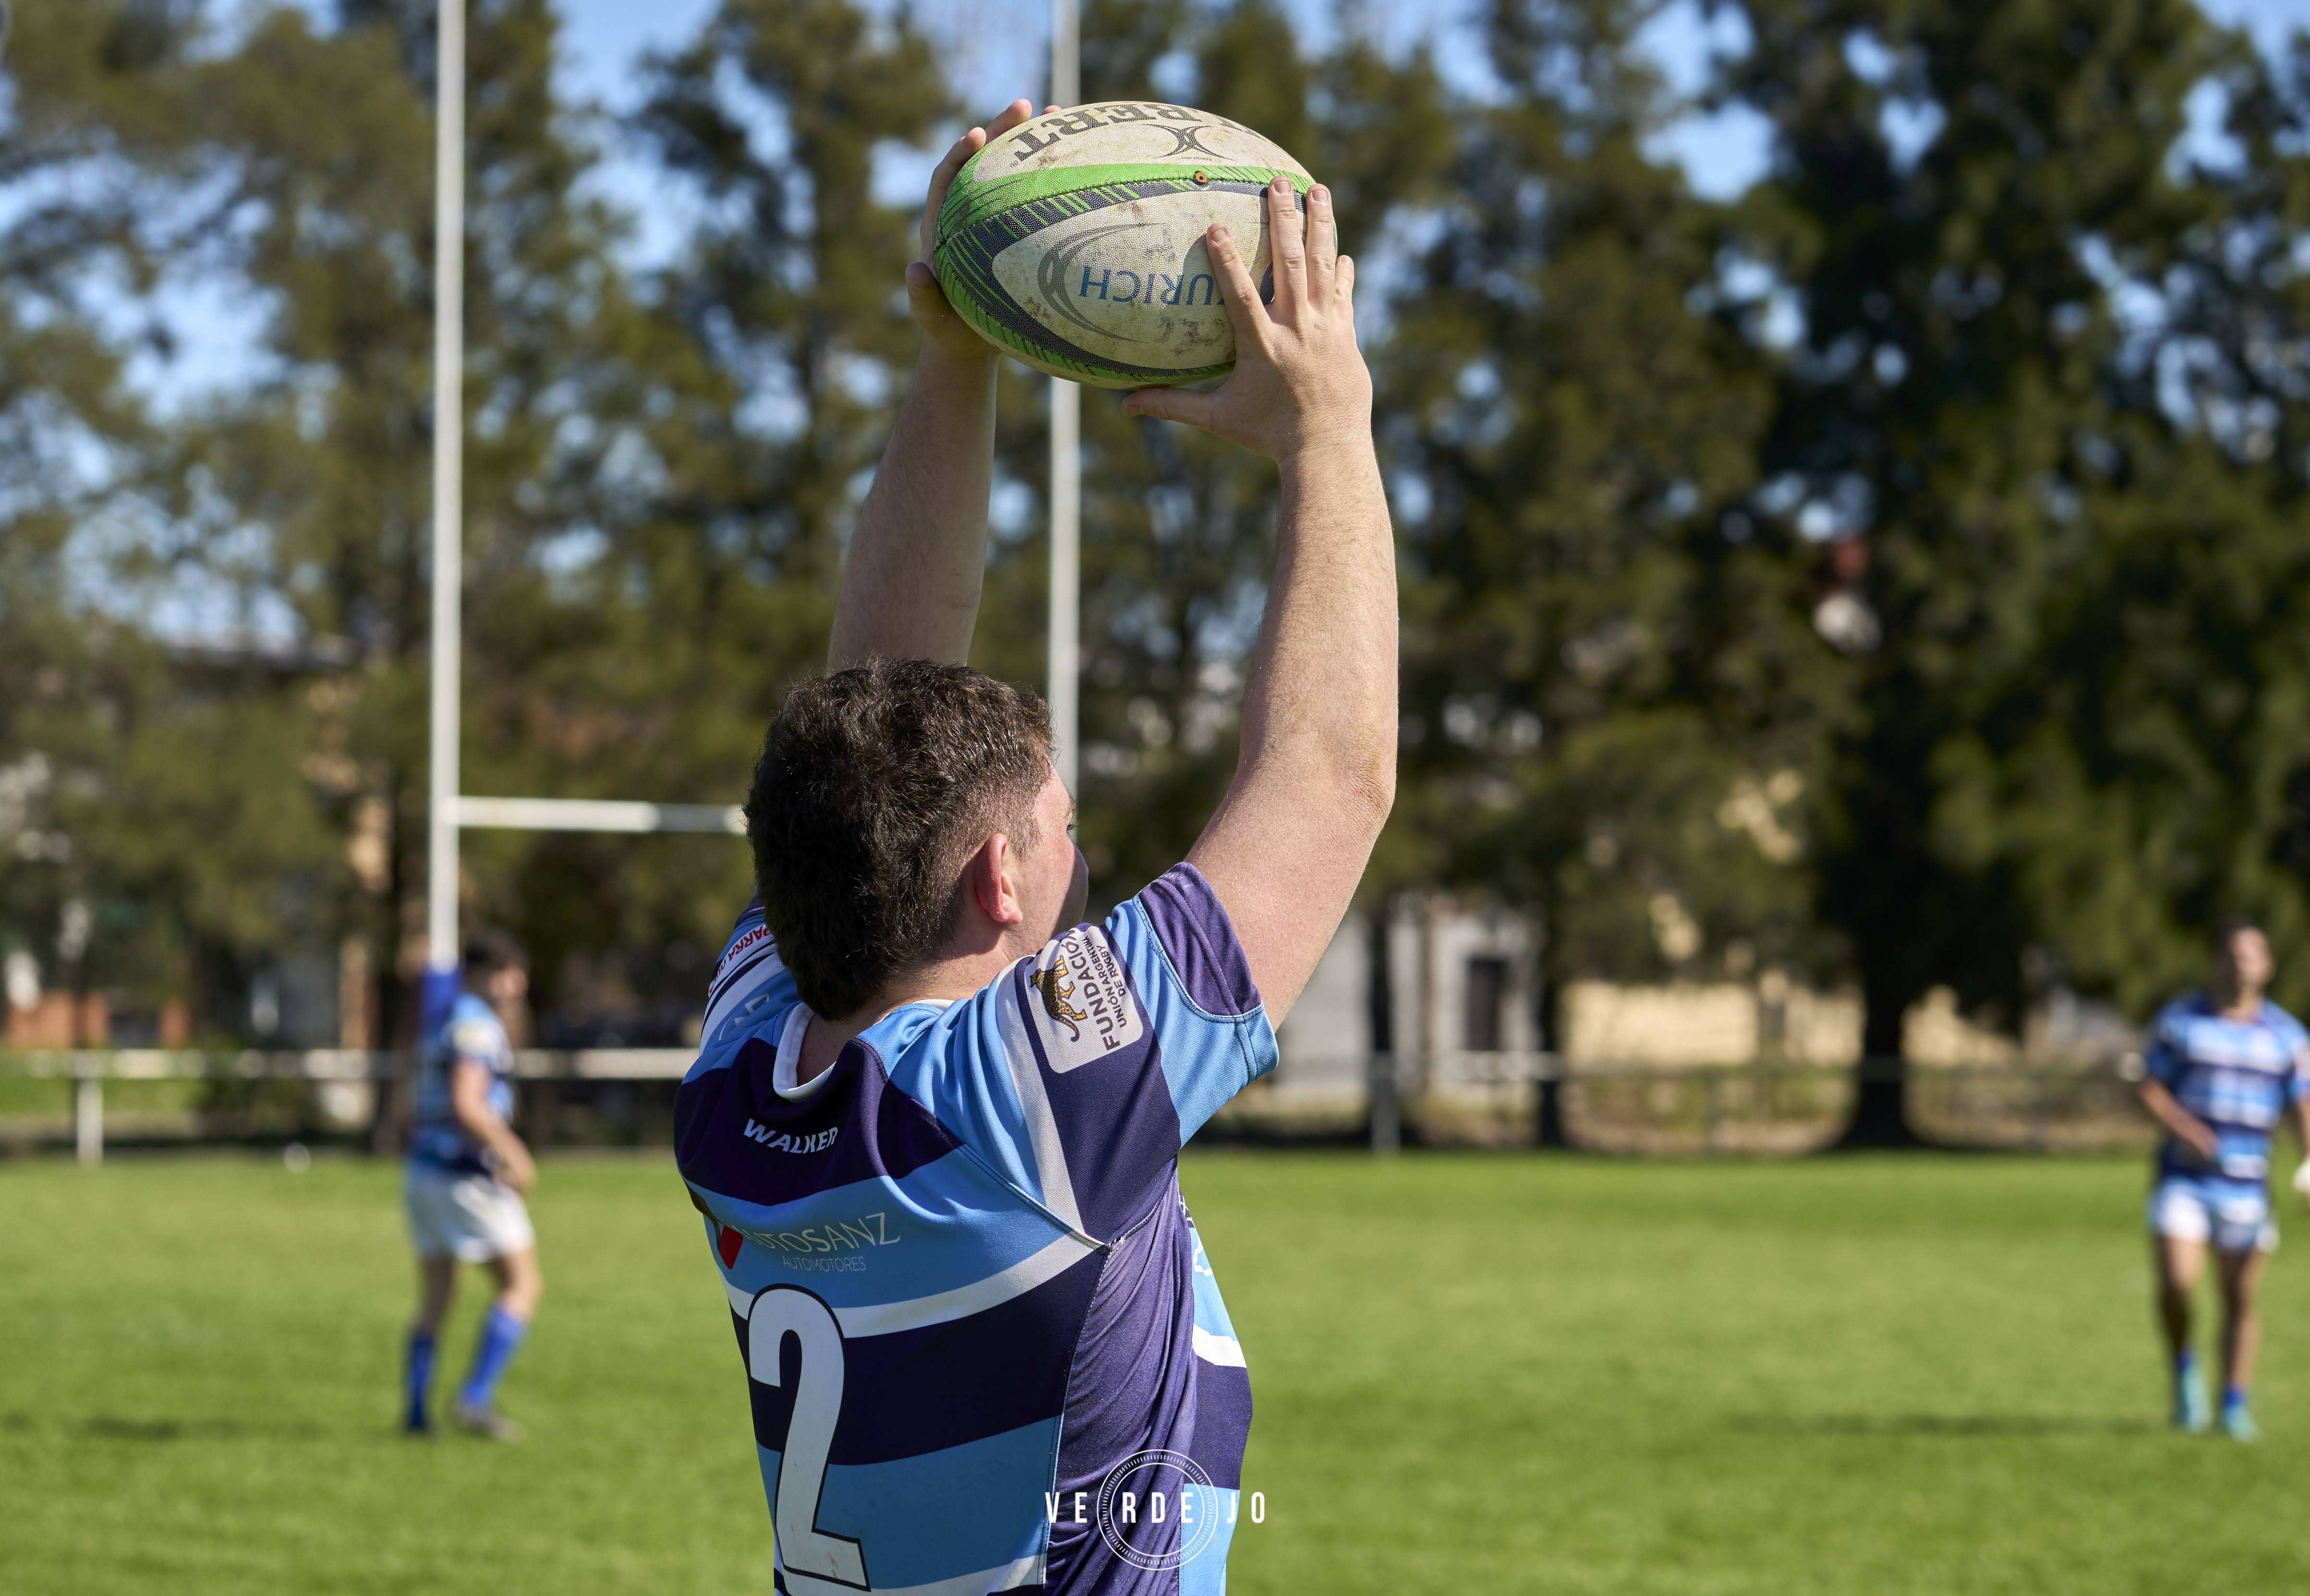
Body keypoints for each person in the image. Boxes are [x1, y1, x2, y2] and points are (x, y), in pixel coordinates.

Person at [672, 98, 1393, 1594]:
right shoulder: (1023, 1107)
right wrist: (1327, 430)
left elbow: (864, 710)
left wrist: (956, 358)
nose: (1086, 860)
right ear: (999, 878)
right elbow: (1326, 780)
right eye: (1063, 827)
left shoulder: (745, 1077)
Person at [2138, 917, 2310, 1440]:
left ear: (2266, 966)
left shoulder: (2285, 1035)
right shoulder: (2181, 1021)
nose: (2239, 964)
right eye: (2231, 954)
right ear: (2216, 961)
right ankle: (2183, 1368)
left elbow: (2300, 1103)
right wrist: (2183, 1128)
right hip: (2183, 1180)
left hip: (2245, 1184)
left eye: (2250, 955)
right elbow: (2148, 1086)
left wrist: (2308, 1163)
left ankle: (2233, 1402)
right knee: (2178, 1285)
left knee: (2238, 1297)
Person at [403, 929, 544, 1441]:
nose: (514, 984)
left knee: (437, 1296)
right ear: (479, 974)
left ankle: (416, 1413)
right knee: (523, 1285)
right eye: (504, 973)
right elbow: (468, 1104)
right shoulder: (477, 1026)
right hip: (466, 1175)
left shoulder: (443, 1018)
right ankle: (474, 1398)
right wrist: (516, 1155)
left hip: (422, 1171)